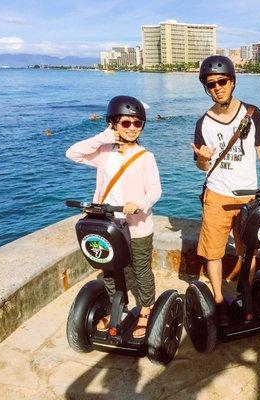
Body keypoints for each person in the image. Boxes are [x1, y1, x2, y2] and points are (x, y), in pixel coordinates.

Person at [191, 55, 260, 326]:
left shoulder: (251, 113)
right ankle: (217, 300)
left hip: (249, 196)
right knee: (213, 252)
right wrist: (203, 157)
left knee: (248, 251)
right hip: (216, 196)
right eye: (211, 84)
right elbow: (203, 167)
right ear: (206, 88)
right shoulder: (203, 123)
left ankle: (242, 294)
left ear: (232, 81)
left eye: (222, 81)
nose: (217, 87)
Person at [66, 95, 162, 338]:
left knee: (140, 270)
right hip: (107, 223)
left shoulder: (145, 156)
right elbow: (73, 153)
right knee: (110, 269)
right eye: (125, 123)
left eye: (137, 123)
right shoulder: (104, 152)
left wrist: (138, 203)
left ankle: (146, 310)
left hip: (137, 225)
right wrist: (103, 137)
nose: (131, 128)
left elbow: (155, 190)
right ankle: (117, 306)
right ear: (113, 124)